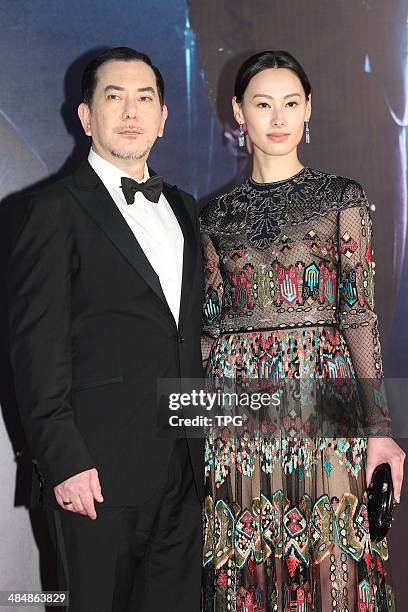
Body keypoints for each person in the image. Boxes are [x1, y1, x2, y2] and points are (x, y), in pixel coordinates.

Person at [200, 50, 405, 611]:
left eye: (291, 103)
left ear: (308, 109)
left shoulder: (343, 199)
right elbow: (209, 329)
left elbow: (359, 316)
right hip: (240, 411)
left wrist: (380, 430)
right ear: (239, 113)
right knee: (246, 559)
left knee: (333, 557)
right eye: (262, 104)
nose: (278, 117)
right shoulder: (214, 218)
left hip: (327, 392)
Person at [8, 47, 204, 612]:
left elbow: (186, 339)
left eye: (145, 98)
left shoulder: (188, 211)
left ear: (164, 118)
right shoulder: (50, 212)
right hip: (94, 476)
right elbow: (35, 349)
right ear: (86, 116)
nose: (131, 111)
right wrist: (63, 460)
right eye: (113, 97)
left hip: (185, 473)